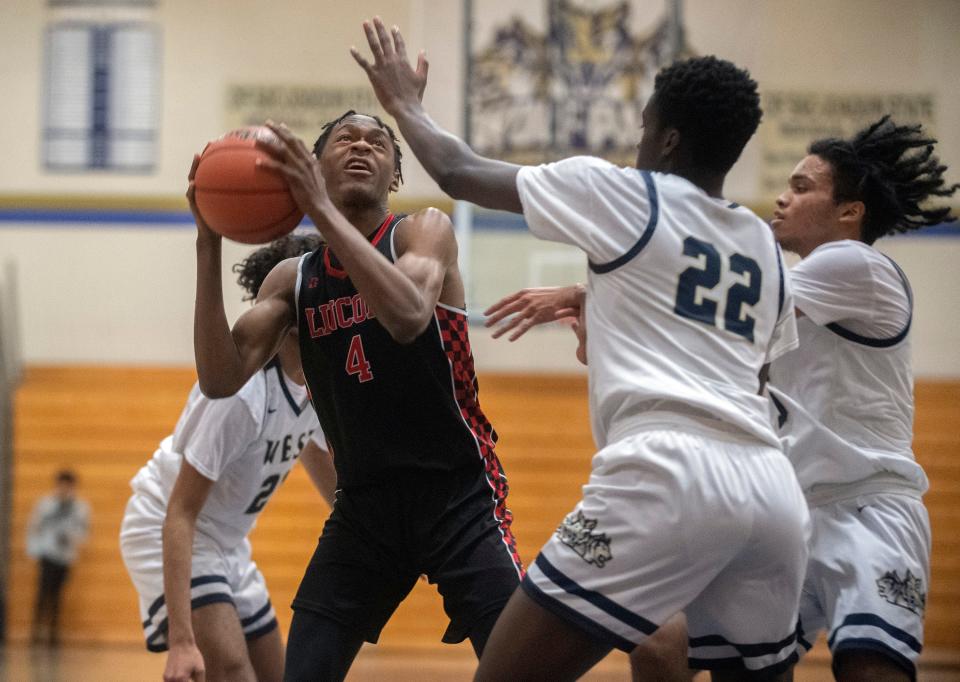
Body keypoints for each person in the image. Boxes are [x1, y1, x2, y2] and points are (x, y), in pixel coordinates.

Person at [352, 18, 809, 680]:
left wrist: (404, 105)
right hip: (772, 491)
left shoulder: (627, 193)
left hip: (667, 472)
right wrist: (617, 332)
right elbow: (754, 374)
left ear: (671, 140)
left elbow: (457, 169)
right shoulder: (764, 248)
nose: (637, 141)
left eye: (645, 128)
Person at [190, 110, 523, 682]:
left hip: (459, 492)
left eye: (378, 142)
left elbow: (409, 316)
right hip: (365, 505)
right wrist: (207, 241)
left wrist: (318, 207)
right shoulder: (293, 279)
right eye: (345, 139)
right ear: (314, 166)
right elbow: (220, 377)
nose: (362, 146)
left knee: (523, 666)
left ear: (394, 174)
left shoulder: (423, 232)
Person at [766, 117, 957, 682]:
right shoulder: (798, 291)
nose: (781, 196)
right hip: (794, 511)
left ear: (850, 212)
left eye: (802, 187)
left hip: (869, 509)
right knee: (670, 645)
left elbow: (730, 307)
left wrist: (601, 290)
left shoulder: (854, 265)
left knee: (868, 669)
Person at [120, 234, 336, 682]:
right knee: (231, 670)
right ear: (292, 315)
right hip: (169, 523)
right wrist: (182, 642)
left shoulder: (315, 384)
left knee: (278, 672)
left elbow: (331, 478)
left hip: (227, 543)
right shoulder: (242, 395)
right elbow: (180, 514)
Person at [26, 469, 90, 646]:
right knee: (42, 594)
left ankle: (52, 634)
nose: (64, 488)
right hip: (47, 554)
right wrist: (34, 550)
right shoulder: (46, 504)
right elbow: (34, 527)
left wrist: (71, 537)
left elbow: (84, 532)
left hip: (65, 556)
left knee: (57, 596)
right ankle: (36, 632)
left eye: (67, 485)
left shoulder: (79, 507)